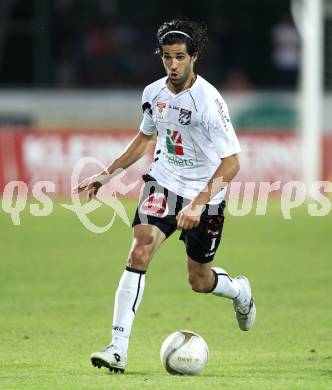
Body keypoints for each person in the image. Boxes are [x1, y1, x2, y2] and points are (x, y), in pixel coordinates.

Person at [76, 18, 256, 374]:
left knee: (199, 281)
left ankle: (239, 291)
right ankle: (118, 348)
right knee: (140, 248)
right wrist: (106, 174)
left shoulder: (208, 101)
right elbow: (145, 138)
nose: (172, 65)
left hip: (205, 194)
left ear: (194, 57)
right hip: (163, 182)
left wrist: (198, 203)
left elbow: (232, 163)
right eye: (166, 57)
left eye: (179, 57)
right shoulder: (152, 93)